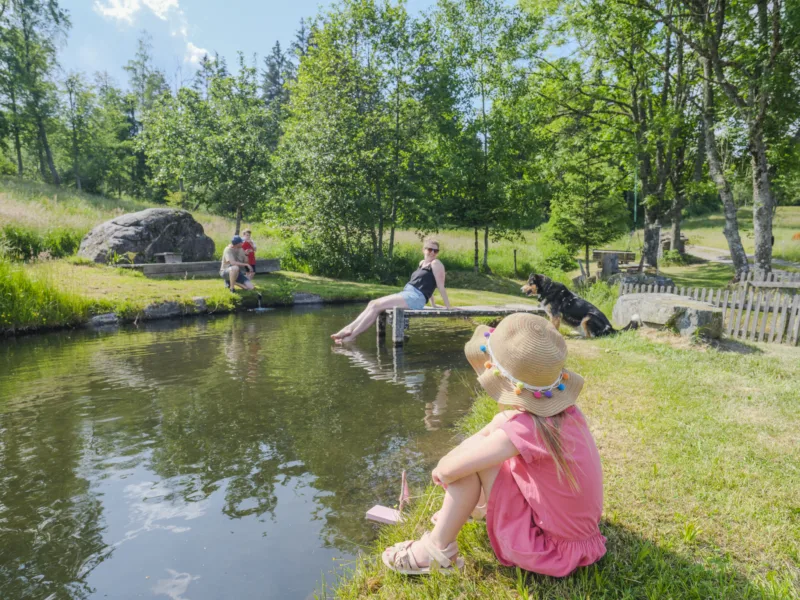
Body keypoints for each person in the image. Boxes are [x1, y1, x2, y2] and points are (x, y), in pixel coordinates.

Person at [382, 313, 606, 576]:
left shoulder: (526, 429)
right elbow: (498, 428)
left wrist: (448, 469)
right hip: (584, 540)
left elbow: (446, 470)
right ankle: (463, 511)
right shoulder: (563, 415)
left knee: (466, 470)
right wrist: (493, 427)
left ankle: (436, 550)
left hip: (548, 550)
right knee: (482, 453)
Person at [331, 238, 453, 344]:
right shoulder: (422, 263)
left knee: (376, 306)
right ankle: (349, 329)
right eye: (430, 249)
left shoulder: (436, 264)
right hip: (407, 293)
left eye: (435, 251)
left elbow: (440, 286)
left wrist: (448, 308)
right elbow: (427, 284)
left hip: (415, 298)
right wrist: (433, 304)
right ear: (423, 250)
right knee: (372, 303)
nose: (432, 252)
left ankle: (352, 336)